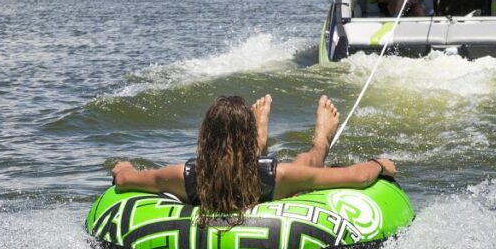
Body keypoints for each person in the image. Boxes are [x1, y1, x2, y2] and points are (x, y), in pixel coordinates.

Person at [110, 95, 397, 223]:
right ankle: (320, 138)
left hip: (227, 176)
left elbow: (124, 180)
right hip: (268, 185)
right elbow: (358, 177)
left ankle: (261, 137)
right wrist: (379, 164)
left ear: (204, 137)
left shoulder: (185, 176)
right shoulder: (275, 176)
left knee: (297, 165)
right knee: (306, 160)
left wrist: (123, 166)